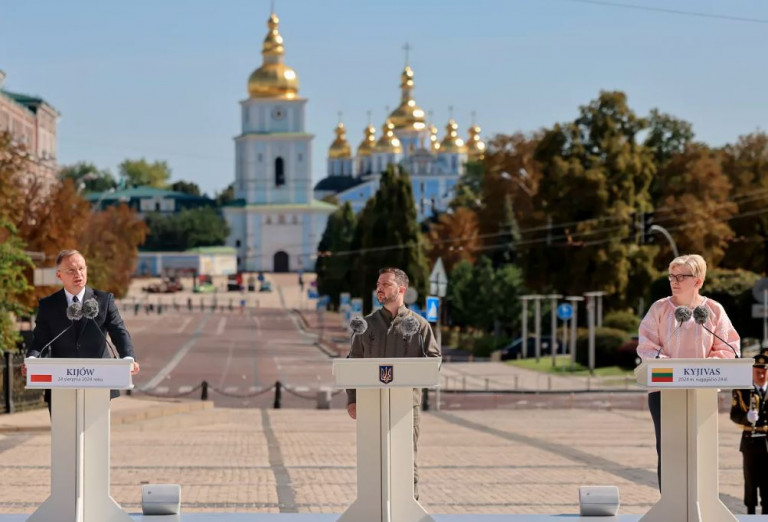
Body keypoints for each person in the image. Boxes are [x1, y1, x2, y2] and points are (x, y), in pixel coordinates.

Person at [636, 254, 740, 489]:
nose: (675, 281)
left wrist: (702, 369)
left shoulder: (714, 309)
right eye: (672, 276)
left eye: (682, 276)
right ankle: (670, 504)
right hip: (664, 393)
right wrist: (672, 368)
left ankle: (700, 499)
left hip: (702, 392)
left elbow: (729, 347)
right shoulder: (660, 309)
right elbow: (646, 347)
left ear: (698, 281)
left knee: (700, 448)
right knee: (669, 450)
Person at [346, 267, 441, 500]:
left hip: (406, 407)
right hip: (371, 405)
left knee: (406, 459)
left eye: (386, 284)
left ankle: (410, 506)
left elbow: (434, 361)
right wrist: (352, 399)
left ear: (401, 290)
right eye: (378, 284)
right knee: (372, 458)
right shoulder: (366, 326)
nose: (379, 288)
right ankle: (373, 506)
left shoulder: (419, 326)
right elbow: (353, 364)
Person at [22, 250, 140, 408]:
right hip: (61, 384)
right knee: (64, 432)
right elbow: (40, 340)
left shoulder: (104, 300)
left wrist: (128, 359)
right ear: (59, 275)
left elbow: (119, 332)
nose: (78, 274)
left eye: (81, 268)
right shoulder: (48, 305)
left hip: (99, 381)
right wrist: (31, 361)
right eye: (71, 270)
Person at [731, 352, 768, 514]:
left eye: (764, 371)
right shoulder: (742, 389)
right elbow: (734, 414)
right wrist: (747, 417)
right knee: (751, 480)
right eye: (757, 371)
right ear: (752, 371)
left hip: (767, 440)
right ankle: (751, 514)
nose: (761, 375)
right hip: (750, 441)